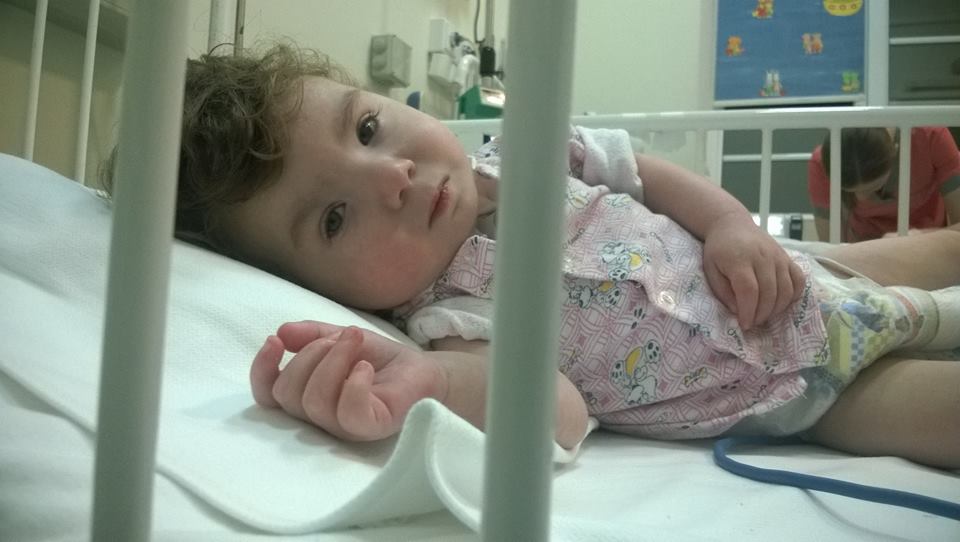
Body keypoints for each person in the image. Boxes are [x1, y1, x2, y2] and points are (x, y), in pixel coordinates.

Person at [105, 45, 960, 469]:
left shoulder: (531, 150)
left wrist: (734, 222)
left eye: (366, 128)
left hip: (789, 278)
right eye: (333, 218)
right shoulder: (452, 323)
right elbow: (559, 413)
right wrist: (429, 386)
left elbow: (652, 177)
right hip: (791, 394)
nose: (391, 177)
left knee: (924, 257)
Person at [807, 126, 960, 242]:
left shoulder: (931, 137)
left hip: (928, 241)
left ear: (895, 153)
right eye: (850, 191)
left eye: (874, 188)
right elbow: (830, 244)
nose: (861, 199)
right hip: (863, 247)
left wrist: (916, 237)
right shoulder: (821, 163)